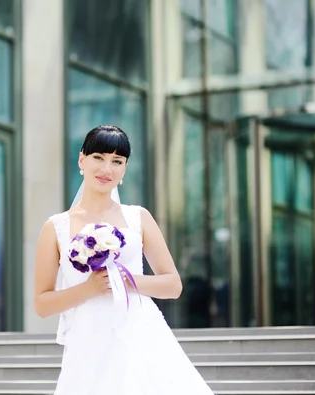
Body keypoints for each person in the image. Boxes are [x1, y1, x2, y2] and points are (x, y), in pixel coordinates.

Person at [33, 125, 214, 394]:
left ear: (125, 169)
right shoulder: (56, 227)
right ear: (82, 160)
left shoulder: (138, 218)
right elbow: (42, 304)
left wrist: (125, 281)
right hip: (88, 339)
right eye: (99, 157)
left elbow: (173, 285)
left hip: (140, 334)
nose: (107, 168)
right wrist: (89, 288)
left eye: (117, 161)